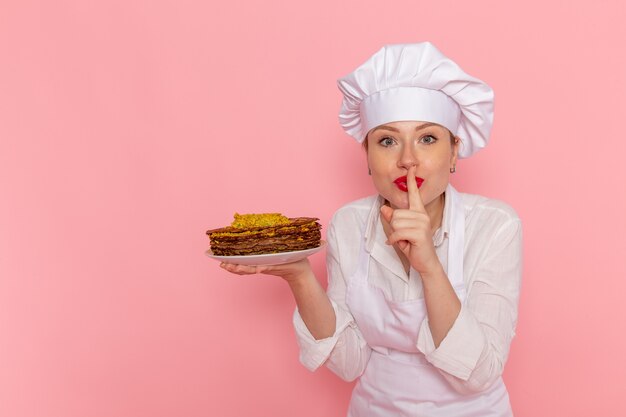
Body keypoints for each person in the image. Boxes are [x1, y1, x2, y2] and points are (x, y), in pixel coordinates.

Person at [220, 42, 522, 416]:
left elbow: (478, 374)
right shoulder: (348, 223)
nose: (407, 159)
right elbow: (349, 363)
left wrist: (429, 266)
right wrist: (299, 277)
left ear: (455, 151)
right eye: (387, 140)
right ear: (366, 155)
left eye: (427, 138)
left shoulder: (494, 225)